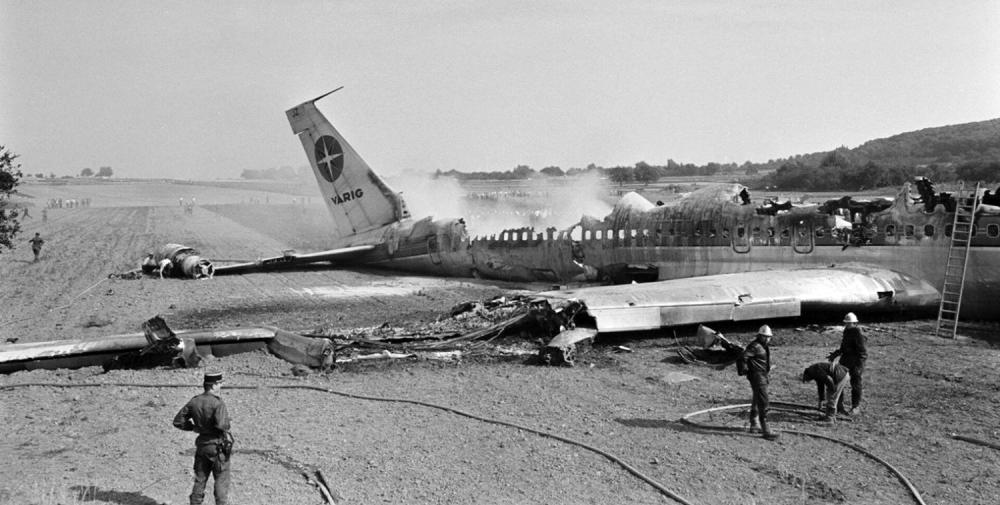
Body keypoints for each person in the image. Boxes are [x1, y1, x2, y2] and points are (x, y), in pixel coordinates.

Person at [173, 372, 233, 505]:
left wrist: (194, 428)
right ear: (214, 385)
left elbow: (178, 421)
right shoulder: (218, 403)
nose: (222, 385)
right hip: (217, 446)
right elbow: (222, 425)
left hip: (202, 445)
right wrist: (227, 422)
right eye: (220, 383)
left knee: (200, 479)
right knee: (221, 481)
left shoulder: (195, 401)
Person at [828, 312, 867, 414]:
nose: (848, 325)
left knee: (856, 384)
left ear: (855, 323)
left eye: (850, 323)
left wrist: (859, 366)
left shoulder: (858, 333)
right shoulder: (847, 331)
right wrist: (835, 354)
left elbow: (863, 352)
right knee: (839, 382)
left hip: (855, 363)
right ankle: (839, 405)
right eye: (847, 323)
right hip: (845, 361)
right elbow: (844, 347)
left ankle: (855, 407)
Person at [744, 325, 779, 440]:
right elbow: (743, 357)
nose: (768, 339)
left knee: (757, 398)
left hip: (762, 375)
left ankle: (754, 423)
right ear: (760, 336)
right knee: (764, 401)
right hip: (757, 376)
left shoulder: (763, 346)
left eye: (769, 337)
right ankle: (766, 429)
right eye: (765, 337)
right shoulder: (755, 346)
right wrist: (746, 371)